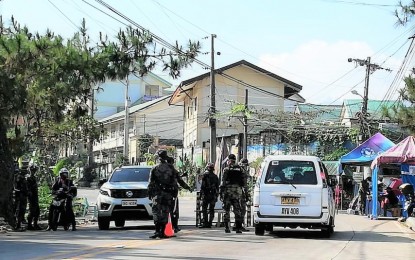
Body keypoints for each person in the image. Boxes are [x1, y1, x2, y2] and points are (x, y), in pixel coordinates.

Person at [148, 150, 178, 239]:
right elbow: (174, 181)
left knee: (156, 211)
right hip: (168, 193)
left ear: (158, 157)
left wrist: (149, 193)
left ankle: (157, 231)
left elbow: (150, 182)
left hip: (157, 194)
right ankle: (162, 232)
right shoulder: (171, 168)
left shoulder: (154, 168)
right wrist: (174, 192)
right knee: (166, 212)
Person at [220, 154, 246, 234]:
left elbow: (223, 182)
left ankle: (227, 228)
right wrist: (245, 193)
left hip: (228, 192)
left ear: (229, 160)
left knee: (226, 210)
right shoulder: (240, 169)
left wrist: (221, 192)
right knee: (237, 210)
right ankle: (237, 228)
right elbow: (244, 182)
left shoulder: (226, 169)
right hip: (237, 192)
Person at [166, 156, 193, 233]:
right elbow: (180, 181)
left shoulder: (159, 169)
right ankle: (174, 226)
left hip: (162, 194)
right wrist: (188, 188)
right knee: (174, 211)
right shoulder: (173, 171)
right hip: (172, 194)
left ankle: (162, 228)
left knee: (164, 211)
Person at [200, 162, 219, 228]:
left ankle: (205, 223)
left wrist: (201, 195)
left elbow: (203, 186)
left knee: (204, 209)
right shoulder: (215, 176)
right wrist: (217, 195)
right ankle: (210, 223)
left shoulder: (205, 175)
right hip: (213, 195)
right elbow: (217, 187)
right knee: (211, 209)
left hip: (206, 194)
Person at [26, 163, 42, 230]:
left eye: (35, 170)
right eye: (32, 170)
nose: (33, 171)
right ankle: (29, 225)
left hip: (35, 196)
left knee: (37, 211)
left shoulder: (34, 178)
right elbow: (28, 188)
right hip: (31, 196)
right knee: (32, 211)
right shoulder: (28, 178)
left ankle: (35, 224)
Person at [237, 158, 250, 232]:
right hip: (240, 192)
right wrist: (247, 195)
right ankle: (239, 225)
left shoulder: (234, 169)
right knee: (242, 209)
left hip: (233, 192)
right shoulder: (243, 172)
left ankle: (236, 224)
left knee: (236, 209)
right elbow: (245, 185)